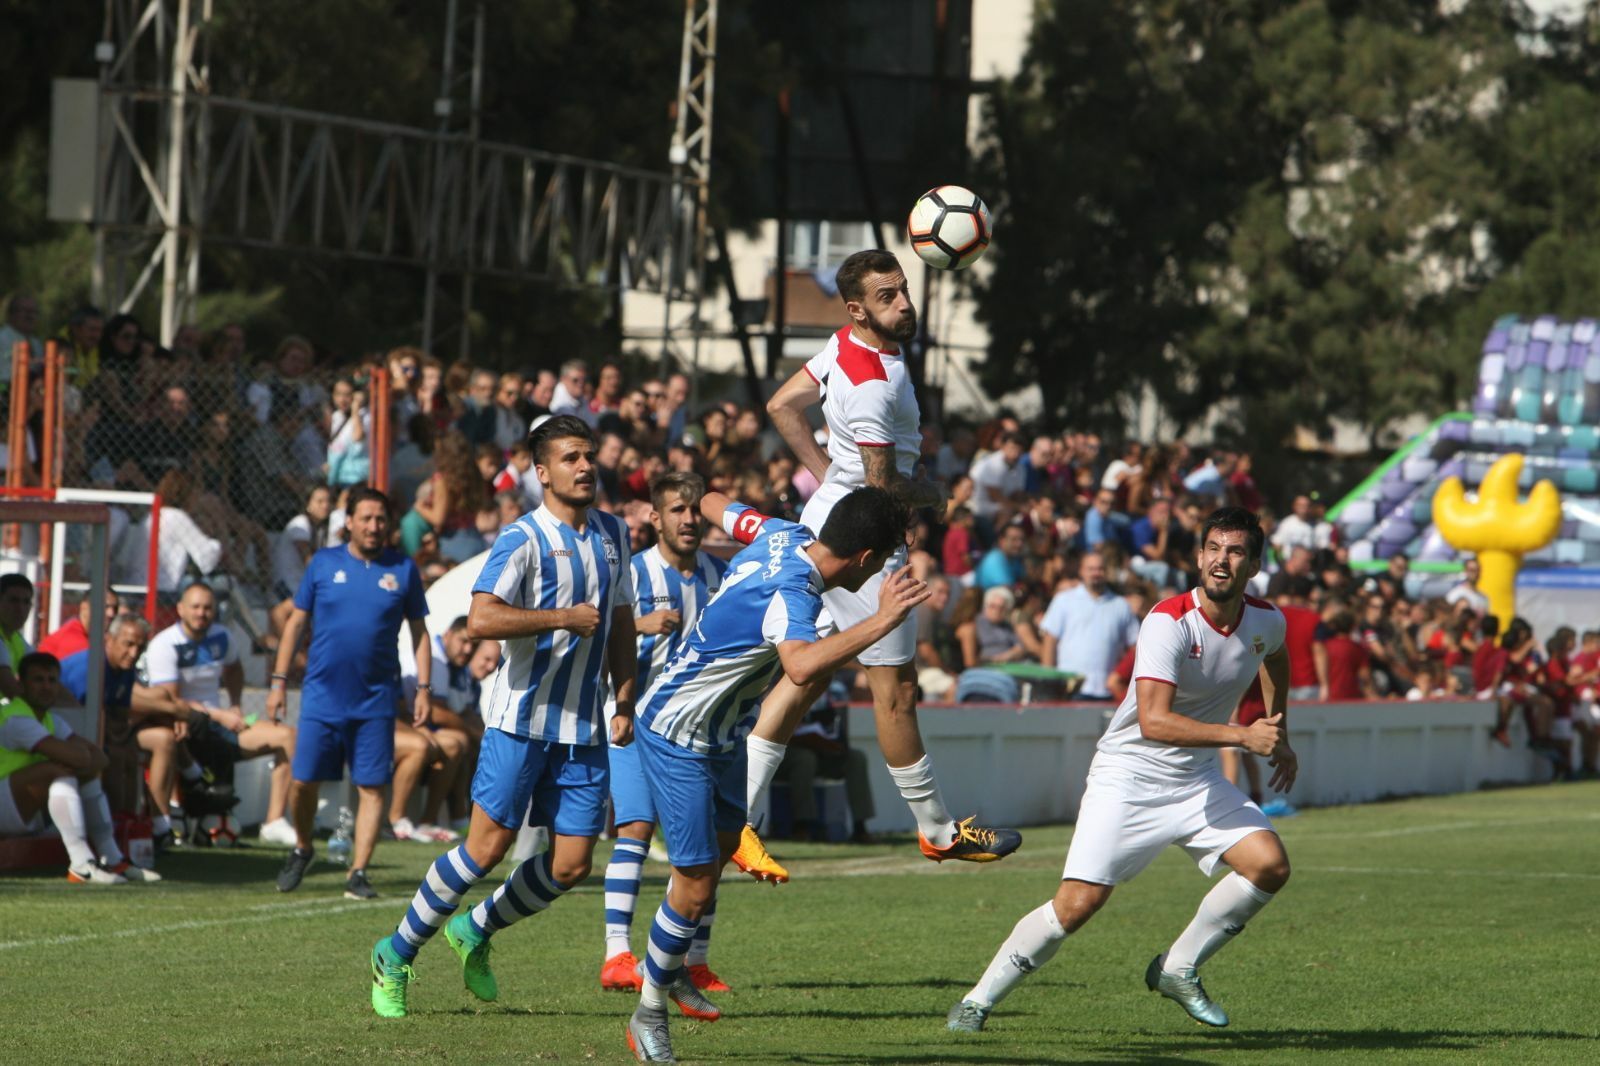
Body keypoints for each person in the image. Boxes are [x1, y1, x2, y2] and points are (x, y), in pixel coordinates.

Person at [947, 507, 1297, 1034]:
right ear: (1199, 556)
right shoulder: (1167, 621)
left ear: (1253, 564)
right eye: (1213, 549)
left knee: (1269, 865)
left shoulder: (1267, 619)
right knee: (1077, 904)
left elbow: (1275, 657)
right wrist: (1243, 735)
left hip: (1195, 780)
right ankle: (977, 1001)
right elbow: (1154, 722)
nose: (1221, 560)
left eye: (1235, 551)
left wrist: (1279, 730)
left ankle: (1178, 968)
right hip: (1129, 776)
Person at [743, 249, 1021, 883]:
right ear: (856, 309)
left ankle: (740, 818)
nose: (903, 304)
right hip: (866, 547)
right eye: (888, 297)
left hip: (831, 527)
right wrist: (942, 497)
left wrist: (825, 481)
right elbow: (881, 486)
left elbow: (783, 406)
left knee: (805, 681)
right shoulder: (875, 383)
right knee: (893, 693)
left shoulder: (846, 345)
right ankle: (938, 833)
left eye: (903, 291)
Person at [624, 485, 930, 1062]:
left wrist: (712, 504)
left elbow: (714, 501)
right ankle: (649, 1010)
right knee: (692, 883)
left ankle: (667, 966)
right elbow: (801, 663)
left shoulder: (780, 532)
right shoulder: (794, 590)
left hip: (721, 734)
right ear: (865, 561)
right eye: (886, 559)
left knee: (713, 863)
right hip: (678, 734)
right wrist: (884, 619)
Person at [368, 415, 636, 1019]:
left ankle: (476, 927)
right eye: (570, 458)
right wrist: (561, 618)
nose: (586, 466)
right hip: (521, 721)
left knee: (571, 864)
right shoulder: (523, 538)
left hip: (584, 728)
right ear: (542, 472)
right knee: (484, 851)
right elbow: (482, 619)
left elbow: (618, 622)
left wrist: (626, 698)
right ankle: (396, 951)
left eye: (589, 455)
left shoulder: (615, 534)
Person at [598, 471, 729, 994]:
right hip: (637, 720)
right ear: (655, 518)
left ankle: (695, 960)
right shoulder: (634, 574)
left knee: (707, 849)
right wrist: (639, 626)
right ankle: (616, 955)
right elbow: (601, 632)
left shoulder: (720, 574)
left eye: (696, 510)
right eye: (677, 509)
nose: (689, 520)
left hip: (698, 733)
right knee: (634, 830)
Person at [269, 487, 432, 900]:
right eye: (366, 518)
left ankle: (357, 872)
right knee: (303, 782)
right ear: (349, 523)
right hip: (322, 697)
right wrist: (278, 681)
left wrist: (423, 689)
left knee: (372, 787)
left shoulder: (404, 569)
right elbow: (295, 624)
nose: (375, 526)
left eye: (381, 519)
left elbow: (419, 633)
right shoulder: (323, 564)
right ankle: (303, 847)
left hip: (376, 701)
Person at [146, 583, 299, 846]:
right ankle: (174, 817)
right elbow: (170, 701)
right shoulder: (165, 644)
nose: (201, 613)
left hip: (220, 721)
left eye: (207, 607)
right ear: (180, 609)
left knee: (288, 737)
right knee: (173, 735)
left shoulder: (222, 636)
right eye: (195, 607)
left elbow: (234, 670)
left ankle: (273, 822)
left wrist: (236, 704)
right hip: (187, 723)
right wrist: (218, 715)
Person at [0, 652, 159, 883]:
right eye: (38, 680)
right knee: (56, 771)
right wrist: (78, 759)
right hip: (6, 805)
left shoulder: (51, 720)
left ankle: (113, 860)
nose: (46, 687)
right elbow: (80, 757)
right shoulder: (17, 719)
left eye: (52, 680)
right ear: (21, 684)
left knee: (78, 773)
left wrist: (79, 760)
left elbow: (100, 759)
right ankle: (81, 863)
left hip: (20, 807)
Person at [59, 614, 189, 847]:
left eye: (140, 646)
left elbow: (119, 715)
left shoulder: (125, 670)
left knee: (160, 741)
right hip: (69, 736)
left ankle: (148, 824)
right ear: (109, 640)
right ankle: (119, 828)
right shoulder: (88, 669)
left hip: (102, 733)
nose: (134, 653)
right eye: (128, 644)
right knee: (117, 756)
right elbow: (80, 719)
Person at [779, 680, 876, 843]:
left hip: (824, 753)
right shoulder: (780, 687)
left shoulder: (829, 691)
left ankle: (860, 827)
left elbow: (835, 729)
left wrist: (836, 744)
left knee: (856, 758)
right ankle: (802, 826)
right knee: (805, 759)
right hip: (789, 755)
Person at [1039, 551, 1139, 701]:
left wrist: (1121, 678)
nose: (1096, 573)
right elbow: (1050, 640)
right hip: (1069, 688)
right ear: (1081, 571)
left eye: (1100, 569)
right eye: (1091, 569)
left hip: (1107, 690)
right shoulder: (1064, 600)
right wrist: (1048, 680)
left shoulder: (1121, 605)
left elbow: (1136, 646)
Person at [38, 590, 121, 661]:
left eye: (115, 608)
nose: (111, 613)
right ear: (84, 607)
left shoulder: (92, 638)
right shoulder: (74, 642)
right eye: (105, 606)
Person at [0, 573, 37, 698]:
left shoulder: (17, 640)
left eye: (26, 602)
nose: (20, 608)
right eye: (13, 600)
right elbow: (10, 689)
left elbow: (44, 675)